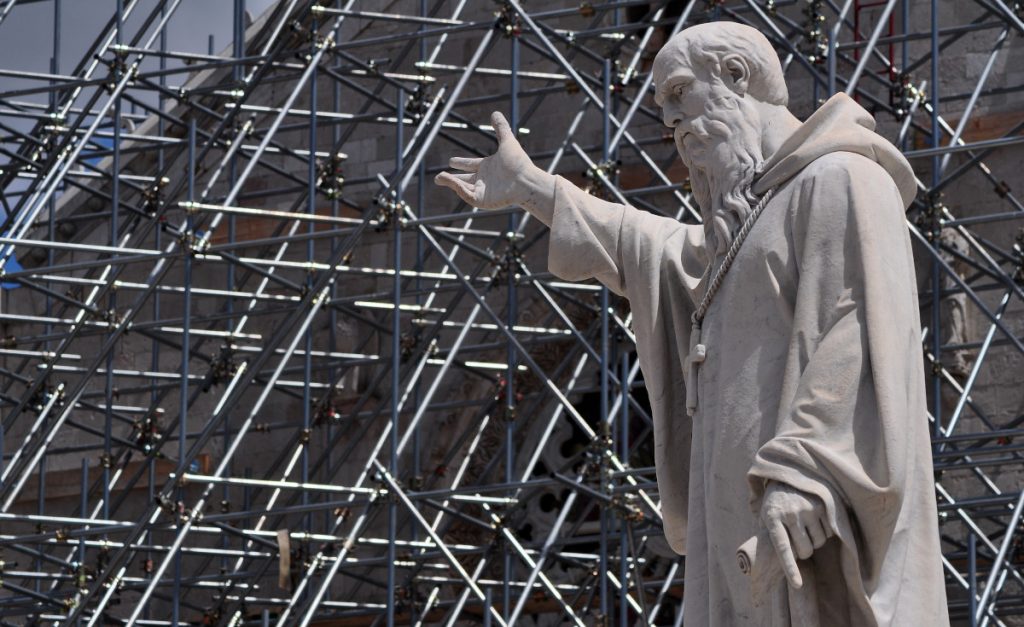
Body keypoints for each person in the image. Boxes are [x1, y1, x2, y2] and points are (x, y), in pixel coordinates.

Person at [436, 21, 948, 627]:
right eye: (661, 106)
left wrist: (808, 471)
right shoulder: (745, 225)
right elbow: (651, 248)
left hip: (802, 507)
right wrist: (535, 190)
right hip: (735, 521)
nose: (670, 121)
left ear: (737, 76)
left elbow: (858, 331)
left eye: (680, 93)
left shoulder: (840, 178)